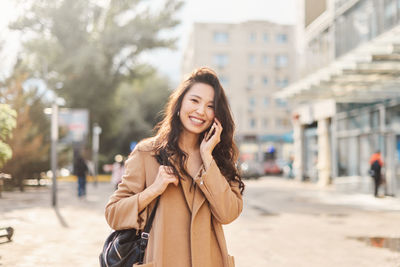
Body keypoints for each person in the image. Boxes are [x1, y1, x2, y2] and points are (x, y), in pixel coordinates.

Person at [105, 67, 245, 267]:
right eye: (195, 101)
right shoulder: (147, 153)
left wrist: (207, 158)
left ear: (217, 114)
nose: (200, 111)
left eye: (210, 106)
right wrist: (153, 190)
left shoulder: (219, 157)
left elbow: (228, 214)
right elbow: (113, 214)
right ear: (180, 104)